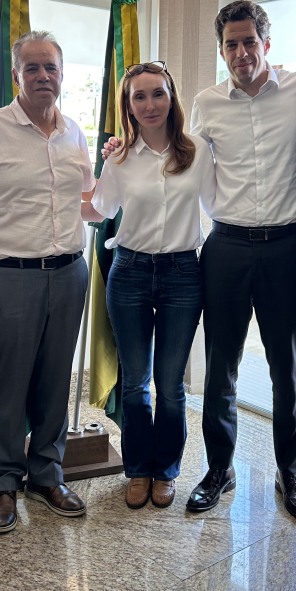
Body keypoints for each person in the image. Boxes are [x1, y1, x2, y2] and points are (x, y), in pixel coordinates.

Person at [0, 31, 92, 534]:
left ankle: (47, 475)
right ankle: (5, 483)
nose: (42, 76)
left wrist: (122, 167)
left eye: (50, 67)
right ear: (16, 75)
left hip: (69, 273)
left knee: (55, 380)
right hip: (10, 277)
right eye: (31, 67)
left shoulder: (75, 134)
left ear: (62, 74)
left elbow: (89, 200)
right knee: (8, 384)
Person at [187, 1, 296, 519]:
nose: (241, 52)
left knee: (289, 369)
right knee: (220, 367)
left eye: (248, 41)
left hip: (287, 247)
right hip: (226, 248)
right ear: (222, 50)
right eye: (231, 44)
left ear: (266, 42)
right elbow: (181, 162)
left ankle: (291, 471)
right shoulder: (206, 103)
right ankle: (219, 468)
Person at [86, 62, 216, 509]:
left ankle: (167, 470)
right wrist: (50, 191)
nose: (149, 104)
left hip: (183, 274)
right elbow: (98, 209)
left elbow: (220, 206)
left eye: (157, 93)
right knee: (136, 383)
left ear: (171, 97)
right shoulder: (119, 158)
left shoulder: (197, 151)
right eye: (138, 96)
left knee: (171, 385)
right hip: (130, 273)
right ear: (128, 106)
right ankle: (138, 469)